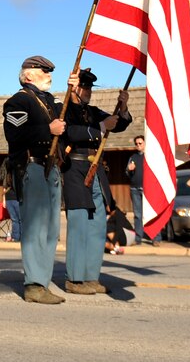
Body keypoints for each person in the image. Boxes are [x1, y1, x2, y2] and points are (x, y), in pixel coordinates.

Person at [2, 56, 68, 305]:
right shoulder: (19, 100)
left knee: (51, 230)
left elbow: (65, 112)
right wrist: (46, 131)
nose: (50, 75)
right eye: (44, 71)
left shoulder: (47, 101)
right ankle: (34, 284)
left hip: (50, 168)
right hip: (32, 167)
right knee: (36, 229)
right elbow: (14, 134)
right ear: (29, 75)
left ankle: (42, 280)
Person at [62, 68, 131, 296]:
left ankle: (91, 277)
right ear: (75, 88)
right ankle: (75, 278)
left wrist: (122, 107)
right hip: (75, 171)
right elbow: (70, 132)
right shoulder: (63, 108)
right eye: (85, 88)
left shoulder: (92, 111)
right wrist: (101, 128)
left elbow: (118, 124)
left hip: (96, 172)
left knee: (97, 228)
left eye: (90, 88)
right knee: (79, 227)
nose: (88, 92)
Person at [125, 136, 161, 245]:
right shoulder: (133, 157)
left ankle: (155, 238)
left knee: (151, 213)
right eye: (136, 144)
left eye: (140, 143)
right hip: (135, 189)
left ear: (145, 143)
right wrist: (129, 169)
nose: (138, 145)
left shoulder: (151, 156)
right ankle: (138, 238)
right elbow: (127, 173)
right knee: (138, 215)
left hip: (149, 189)